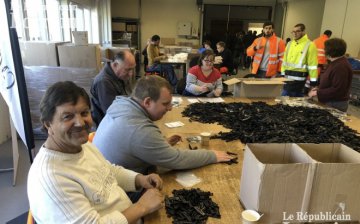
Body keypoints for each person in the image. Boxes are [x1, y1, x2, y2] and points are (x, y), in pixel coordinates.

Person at [28, 81, 164, 224]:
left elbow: (107, 170)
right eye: (67, 116)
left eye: (84, 113)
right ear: (48, 124)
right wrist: (141, 207)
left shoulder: (81, 145)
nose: (80, 123)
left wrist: (139, 179)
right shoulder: (52, 178)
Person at [93, 75, 234, 175]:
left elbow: (133, 144)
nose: (170, 108)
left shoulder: (122, 104)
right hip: (119, 191)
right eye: (165, 103)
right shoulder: (139, 129)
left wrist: (160, 145)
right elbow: (177, 160)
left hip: (110, 175)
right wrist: (211, 155)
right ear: (147, 102)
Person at [90, 50, 135, 127]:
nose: (131, 74)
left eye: (132, 69)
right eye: (127, 69)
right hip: (108, 125)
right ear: (115, 65)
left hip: (123, 116)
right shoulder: (103, 82)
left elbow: (129, 96)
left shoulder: (121, 75)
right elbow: (113, 113)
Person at [308, 38, 353, 112]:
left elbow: (338, 89)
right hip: (330, 101)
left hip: (335, 103)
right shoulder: (335, 62)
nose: (324, 51)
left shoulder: (340, 66)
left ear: (331, 51)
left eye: (325, 49)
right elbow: (330, 82)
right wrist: (319, 88)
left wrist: (317, 92)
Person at [281, 23, 318, 97]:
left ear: (303, 31)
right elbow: (284, 61)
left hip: (299, 81)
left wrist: (313, 82)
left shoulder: (310, 45)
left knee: (296, 104)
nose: (295, 34)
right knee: (284, 100)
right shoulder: (289, 44)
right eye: (293, 32)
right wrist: (282, 74)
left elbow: (312, 65)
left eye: (297, 31)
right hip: (287, 79)